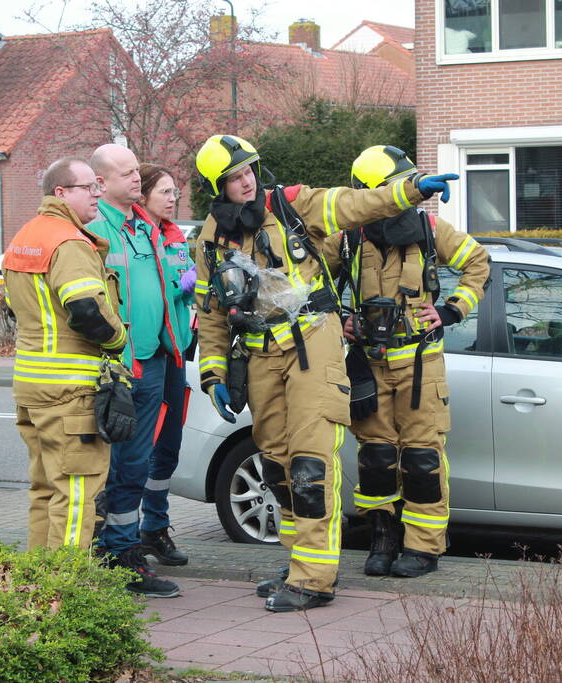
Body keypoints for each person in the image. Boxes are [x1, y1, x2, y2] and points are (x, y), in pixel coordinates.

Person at [192, 134, 457, 612]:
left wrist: (413, 189)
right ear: (218, 186)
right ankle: (298, 564)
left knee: (311, 463)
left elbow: (359, 203)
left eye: (250, 169)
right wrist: (213, 373)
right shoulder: (210, 238)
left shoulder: (293, 205)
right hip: (258, 355)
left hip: (312, 342)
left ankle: (315, 578)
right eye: (234, 177)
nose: (246, 180)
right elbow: (211, 312)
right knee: (276, 463)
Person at [331, 145, 490, 578]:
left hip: (421, 365)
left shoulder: (429, 229)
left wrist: (453, 308)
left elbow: (479, 263)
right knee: (376, 456)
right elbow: (313, 281)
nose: (408, 194)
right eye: (395, 187)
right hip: (369, 362)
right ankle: (383, 537)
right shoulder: (347, 238)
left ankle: (423, 547)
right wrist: (340, 320)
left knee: (422, 457)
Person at [3, 157, 127, 552]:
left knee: (44, 489)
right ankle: (66, 588)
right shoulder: (69, 242)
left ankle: (38, 583)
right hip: (70, 389)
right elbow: (87, 310)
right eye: (88, 187)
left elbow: (16, 309)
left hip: (32, 386)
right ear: (61, 193)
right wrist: (118, 341)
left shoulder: (25, 237)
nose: (97, 194)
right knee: (77, 492)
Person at [86, 144, 183, 598]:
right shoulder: (94, 228)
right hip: (122, 366)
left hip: (158, 358)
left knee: (140, 461)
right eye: (126, 174)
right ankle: (120, 553)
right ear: (101, 182)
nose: (135, 180)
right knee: (125, 464)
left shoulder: (146, 227)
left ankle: (122, 546)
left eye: (135, 172)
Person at [135, 163, 196, 567]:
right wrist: (180, 286)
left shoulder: (177, 238)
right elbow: (150, 291)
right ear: (144, 198)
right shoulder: (139, 236)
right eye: (165, 192)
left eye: (175, 192)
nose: (173, 198)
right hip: (149, 354)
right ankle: (122, 535)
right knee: (139, 450)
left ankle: (155, 528)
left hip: (177, 354)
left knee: (168, 450)